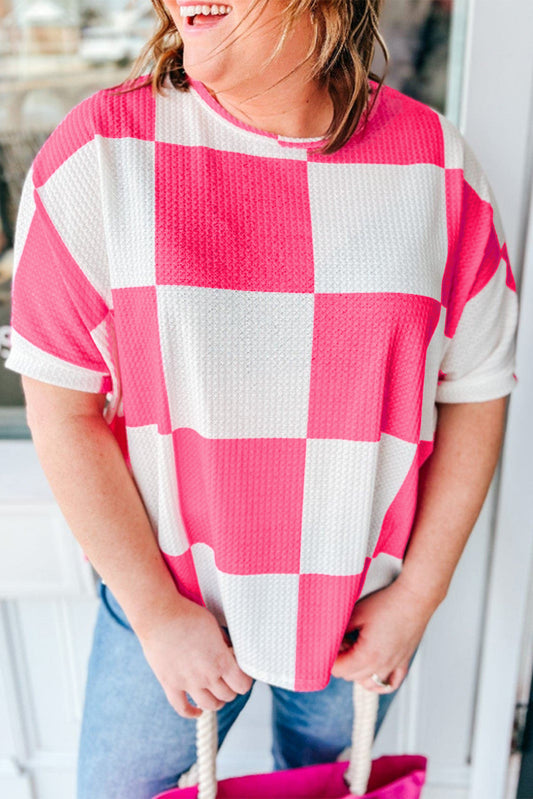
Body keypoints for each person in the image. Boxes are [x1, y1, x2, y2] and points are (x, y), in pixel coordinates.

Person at [5, 1, 520, 797]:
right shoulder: (101, 155)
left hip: (355, 610)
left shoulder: (436, 165)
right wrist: (152, 610)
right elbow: (61, 405)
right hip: (166, 596)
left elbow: (478, 390)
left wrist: (418, 594)